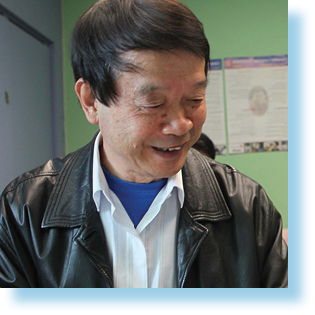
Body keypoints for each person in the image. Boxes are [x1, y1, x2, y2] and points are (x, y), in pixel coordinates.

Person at [0, 0, 287, 288]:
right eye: (153, 103)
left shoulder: (247, 208)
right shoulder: (23, 213)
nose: (181, 125)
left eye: (194, 100)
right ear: (90, 100)